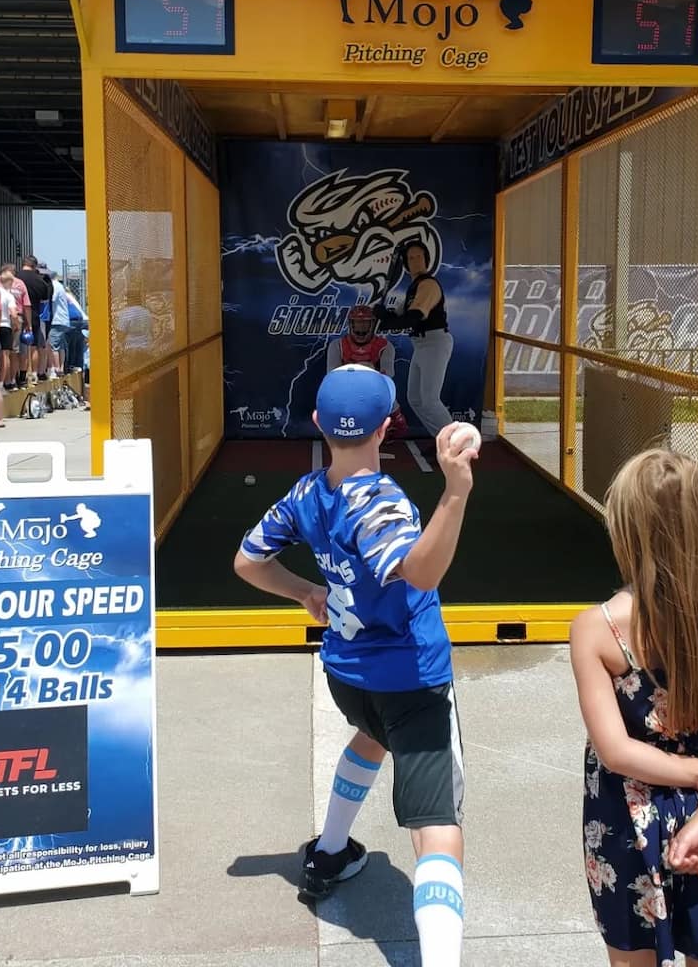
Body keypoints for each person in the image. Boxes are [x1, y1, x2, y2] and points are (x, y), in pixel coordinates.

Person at [234, 365, 478, 966]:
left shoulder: (306, 494)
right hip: (413, 679)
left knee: (370, 737)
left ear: (317, 423)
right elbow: (419, 570)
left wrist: (304, 593)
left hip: (348, 674)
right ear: (388, 425)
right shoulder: (381, 499)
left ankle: (330, 851)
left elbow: (247, 561)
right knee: (436, 827)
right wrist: (454, 490)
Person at [569, 449, 698, 967]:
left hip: (627, 811)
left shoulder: (598, 629)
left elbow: (616, 751)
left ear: (625, 534)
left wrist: (697, 775)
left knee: (633, 954)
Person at [376, 241, 453, 438]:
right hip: (421, 344)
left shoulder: (428, 284)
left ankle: (457, 446)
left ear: (426, 260)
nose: (415, 261)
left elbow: (414, 316)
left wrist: (388, 320)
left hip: (434, 342)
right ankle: (441, 440)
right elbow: (398, 316)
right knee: (416, 399)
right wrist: (383, 315)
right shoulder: (413, 288)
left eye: (419, 256)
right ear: (406, 264)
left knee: (430, 400)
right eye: (411, 258)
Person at [326, 305, 409, 436]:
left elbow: (387, 375)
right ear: (351, 324)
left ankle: (391, 420)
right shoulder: (337, 345)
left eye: (365, 324)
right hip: (346, 388)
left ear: (372, 325)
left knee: (387, 391)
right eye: (358, 324)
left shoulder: (385, 346)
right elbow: (332, 375)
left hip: (373, 388)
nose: (361, 329)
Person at [19, 256, 51, 384]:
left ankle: (20, 375)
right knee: (34, 346)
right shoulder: (40, 281)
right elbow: (44, 300)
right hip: (34, 316)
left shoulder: (16, 278)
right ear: (35, 266)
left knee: (17, 350)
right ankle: (33, 374)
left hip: (17, 315)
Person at [0, 267, 21, 391]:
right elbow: (14, 314)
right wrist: (17, 325)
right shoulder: (9, 296)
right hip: (6, 326)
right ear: (10, 282)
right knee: (5, 355)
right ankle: (3, 382)